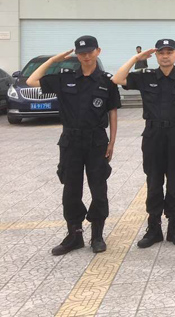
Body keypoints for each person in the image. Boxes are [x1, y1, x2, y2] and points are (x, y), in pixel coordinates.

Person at [26, 35, 120, 255]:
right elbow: (31, 81)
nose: (86, 56)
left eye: (90, 52)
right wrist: (53, 60)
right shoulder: (64, 78)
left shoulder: (107, 81)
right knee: (71, 190)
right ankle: (74, 235)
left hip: (97, 141)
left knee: (99, 189)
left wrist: (112, 142)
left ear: (98, 51)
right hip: (71, 142)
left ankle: (97, 235)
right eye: (81, 53)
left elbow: (113, 112)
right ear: (76, 55)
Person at [112, 39, 175, 248]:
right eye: (161, 52)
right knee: (153, 182)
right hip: (153, 135)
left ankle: (174, 229)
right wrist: (137, 58)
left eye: (169, 52)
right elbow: (118, 78)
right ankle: (154, 229)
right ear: (156, 55)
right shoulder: (146, 77)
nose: (165, 56)